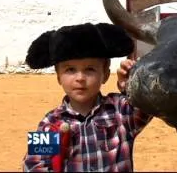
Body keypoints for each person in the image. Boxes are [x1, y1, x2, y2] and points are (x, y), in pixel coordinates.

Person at [22, 22, 152, 172]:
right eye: (70, 69)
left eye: (90, 69)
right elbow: (33, 165)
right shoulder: (50, 123)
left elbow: (151, 103)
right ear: (58, 77)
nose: (80, 78)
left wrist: (132, 86)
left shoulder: (120, 111)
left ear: (105, 74)